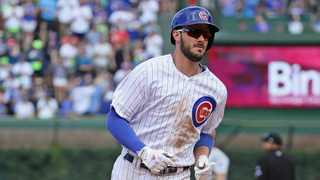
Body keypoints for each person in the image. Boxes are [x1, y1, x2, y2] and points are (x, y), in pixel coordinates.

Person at [106, 6, 227, 180]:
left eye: (206, 34)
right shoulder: (149, 71)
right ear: (176, 34)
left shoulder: (217, 88)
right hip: (133, 171)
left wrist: (202, 158)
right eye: (194, 32)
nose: (201, 38)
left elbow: (207, 131)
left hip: (179, 174)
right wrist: (144, 152)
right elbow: (115, 118)